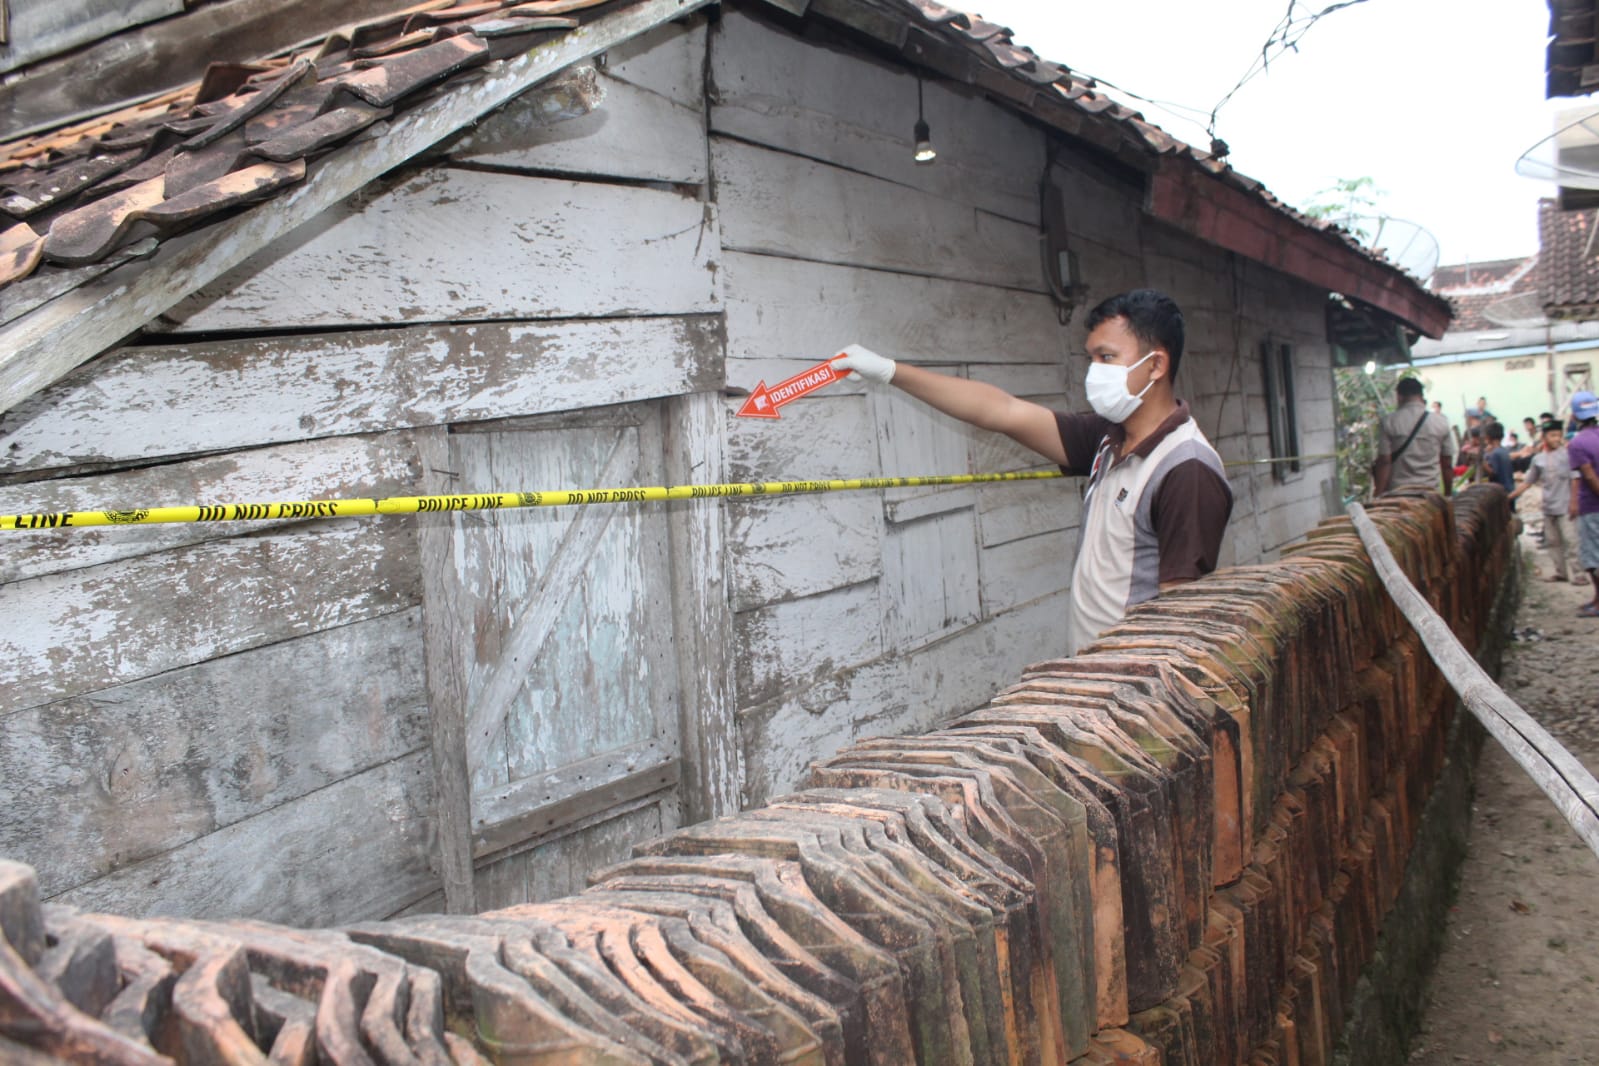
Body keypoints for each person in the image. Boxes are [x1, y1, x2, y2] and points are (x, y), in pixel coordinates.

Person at [831, 289, 1233, 656]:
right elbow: (1003, 411)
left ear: (1156, 364)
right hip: (1095, 675)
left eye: (1107, 357)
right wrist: (890, 371)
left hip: (1135, 686)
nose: (1093, 372)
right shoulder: (1108, 438)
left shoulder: (1186, 468)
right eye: (1090, 358)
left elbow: (1179, 618)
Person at [1510, 420, 1577, 581]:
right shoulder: (1538, 459)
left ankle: (1579, 574)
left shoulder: (1568, 456)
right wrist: (1510, 496)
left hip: (1566, 506)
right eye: (1552, 435)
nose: (1556, 439)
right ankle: (1560, 572)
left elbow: (1575, 480)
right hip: (1548, 507)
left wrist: (1575, 502)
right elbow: (1528, 482)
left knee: (1572, 542)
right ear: (1544, 437)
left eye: (1558, 435)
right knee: (1553, 542)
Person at [1372, 377, 1453, 496]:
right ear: (1421, 395)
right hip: (1430, 493)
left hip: (1398, 494)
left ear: (1399, 396)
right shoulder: (1441, 422)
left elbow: (1385, 462)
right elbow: (1447, 464)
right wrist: (1448, 494)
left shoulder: (1389, 422)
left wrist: (1378, 494)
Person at [1567, 391, 1599, 616]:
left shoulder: (1577, 444)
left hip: (1591, 506)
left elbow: (1588, 476)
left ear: (1575, 416)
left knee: (1593, 556)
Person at [1482, 422, 1515, 497]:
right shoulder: (1504, 451)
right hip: (1509, 488)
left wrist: (1482, 462)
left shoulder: (1495, 453)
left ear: (1488, 437)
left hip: (1501, 491)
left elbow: (1493, 473)